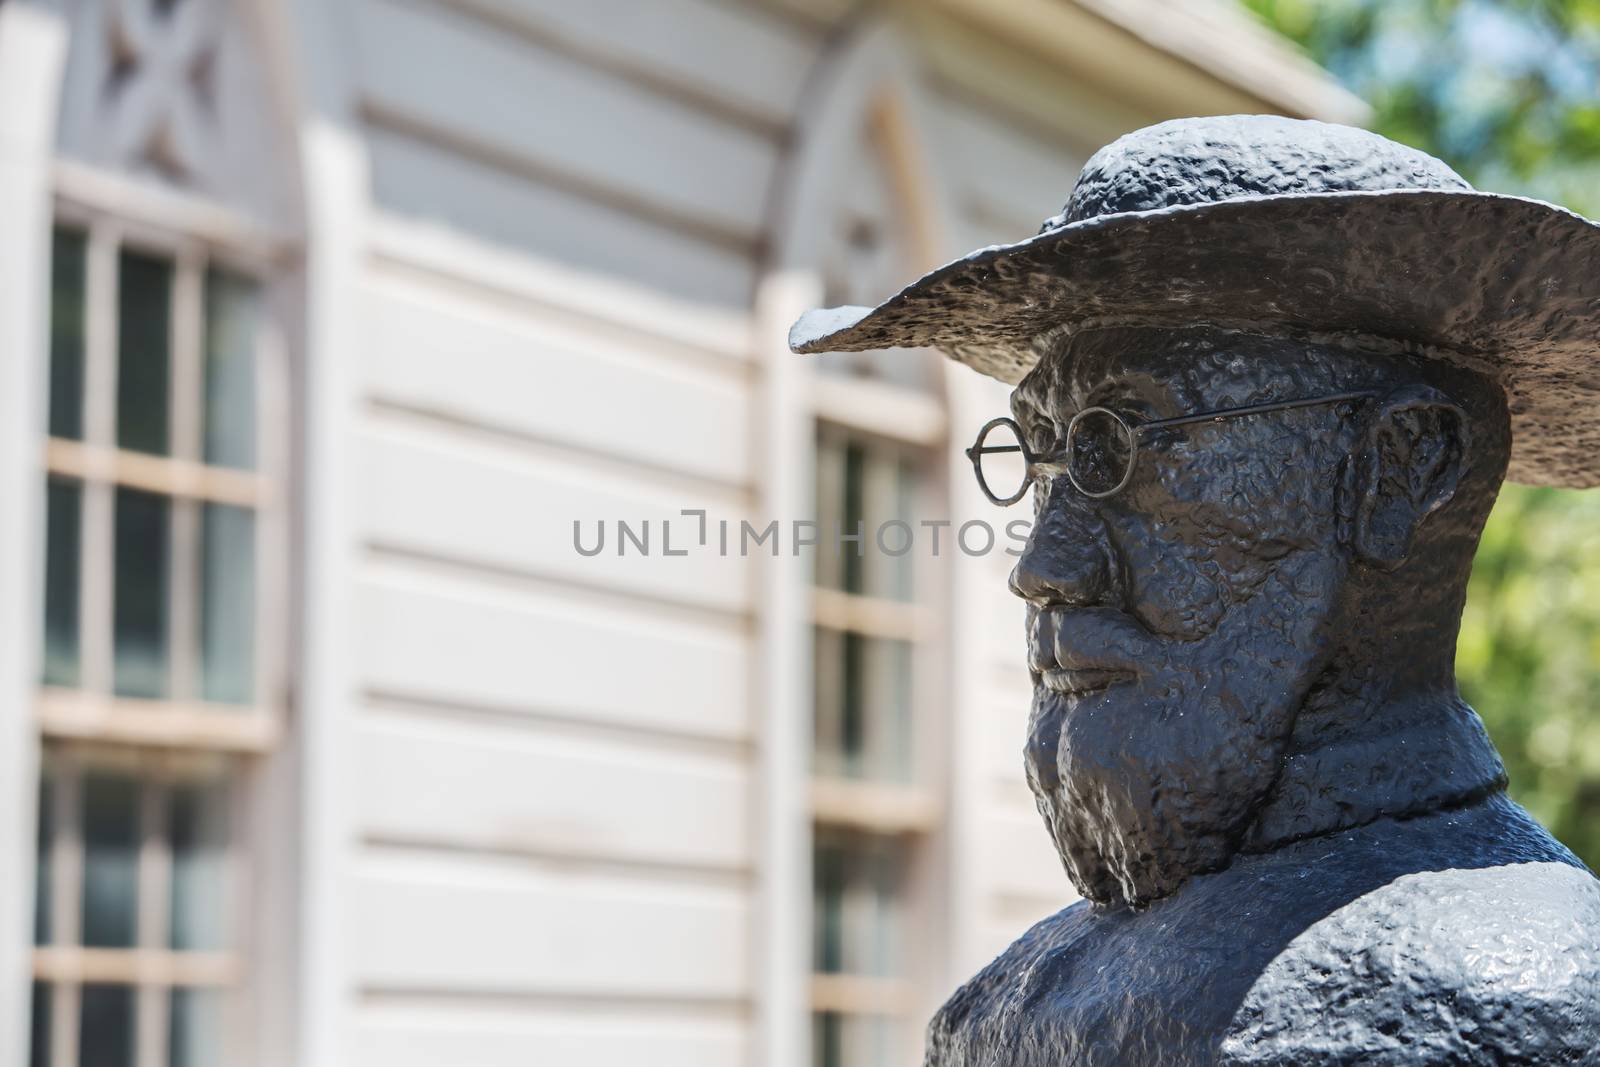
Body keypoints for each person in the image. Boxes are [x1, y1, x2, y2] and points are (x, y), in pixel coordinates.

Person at [792, 116, 1600, 1066]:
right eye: (1046, 456)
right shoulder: (1003, 1007)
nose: (1042, 564)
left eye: (1124, 445)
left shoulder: (1534, 998)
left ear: (1398, 468)